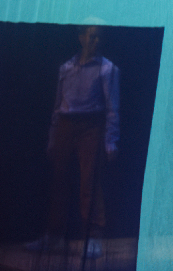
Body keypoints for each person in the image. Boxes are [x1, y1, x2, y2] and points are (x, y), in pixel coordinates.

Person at [28, 24, 120, 258]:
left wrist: (110, 140)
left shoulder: (107, 69)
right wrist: (52, 138)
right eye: (92, 36)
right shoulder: (66, 68)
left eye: (100, 37)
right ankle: (54, 235)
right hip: (66, 126)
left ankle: (94, 236)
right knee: (59, 181)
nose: (96, 41)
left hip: (91, 126)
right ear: (81, 38)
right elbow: (58, 106)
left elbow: (112, 108)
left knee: (89, 183)